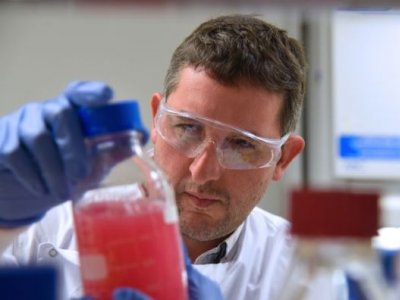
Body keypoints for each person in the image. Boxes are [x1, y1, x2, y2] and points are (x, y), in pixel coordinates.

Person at [0, 13, 306, 300]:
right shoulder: (44, 222)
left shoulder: (304, 270)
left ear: (283, 158)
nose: (202, 171)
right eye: (188, 128)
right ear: (157, 119)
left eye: (241, 144)